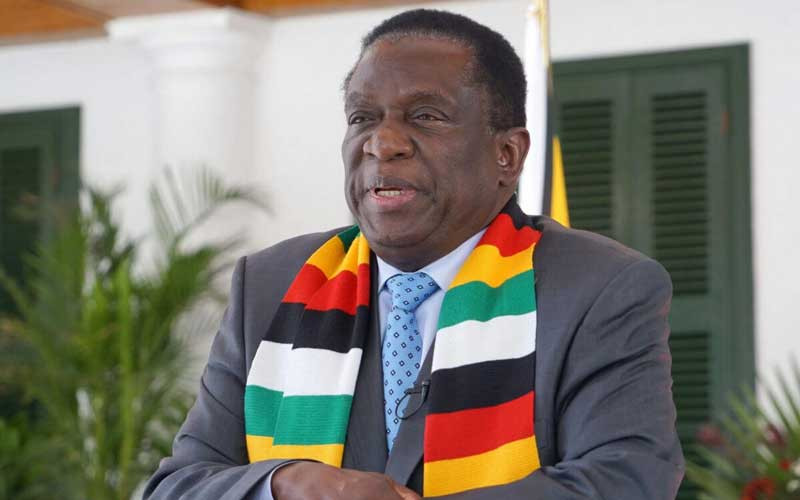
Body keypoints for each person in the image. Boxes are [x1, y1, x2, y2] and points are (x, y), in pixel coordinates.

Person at [144, 9, 684, 500]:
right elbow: (177, 487)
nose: (382, 143)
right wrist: (286, 482)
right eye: (362, 118)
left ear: (507, 154)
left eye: (425, 116)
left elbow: (626, 480)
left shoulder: (598, 287)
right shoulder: (271, 284)